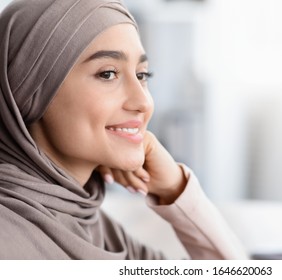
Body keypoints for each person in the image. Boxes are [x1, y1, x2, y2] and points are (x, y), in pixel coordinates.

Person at [0, 0, 247, 260]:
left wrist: (175, 188)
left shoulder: (88, 221)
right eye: (108, 74)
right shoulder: (10, 239)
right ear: (27, 91)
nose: (143, 102)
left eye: (142, 75)